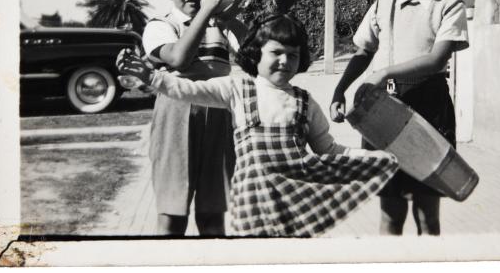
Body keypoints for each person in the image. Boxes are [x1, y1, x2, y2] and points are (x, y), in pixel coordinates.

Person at [118, 14, 399, 237]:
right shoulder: (237, 90)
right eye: (276, 52)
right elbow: (188, 89)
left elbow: (330, 149)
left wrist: (372, 159)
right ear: (256, 54)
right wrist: (152, 77)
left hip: (296, 210)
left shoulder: (305, 102)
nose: (285, 61)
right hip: (251, 212)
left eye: (293, 54)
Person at [329, 0, 469, 236]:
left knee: (426, 215)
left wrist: (384, 72)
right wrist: (339, 90)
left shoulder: (449, 6)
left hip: (429, 113)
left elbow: (436, 60)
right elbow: (363, 52)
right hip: (384, 113)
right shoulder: (383, 4)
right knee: (390, 214)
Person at [142, 0, 246, 236]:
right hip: (174, 119)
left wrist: (232, 20)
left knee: (213, 218)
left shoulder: (221, 25)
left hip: (219, 117)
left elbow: (256, 58)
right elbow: (178, 59)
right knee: (172, 219)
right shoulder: (160, 25)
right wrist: (207, 12)